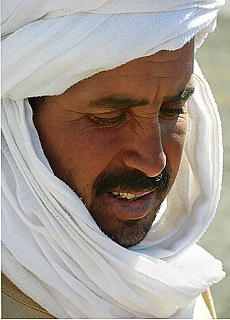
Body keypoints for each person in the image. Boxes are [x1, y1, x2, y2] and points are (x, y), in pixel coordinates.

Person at [1, 1, 226, 319]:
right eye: (110, 117)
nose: (153, 161)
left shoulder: (176, 277)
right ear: (20, 120)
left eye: (171, 110)